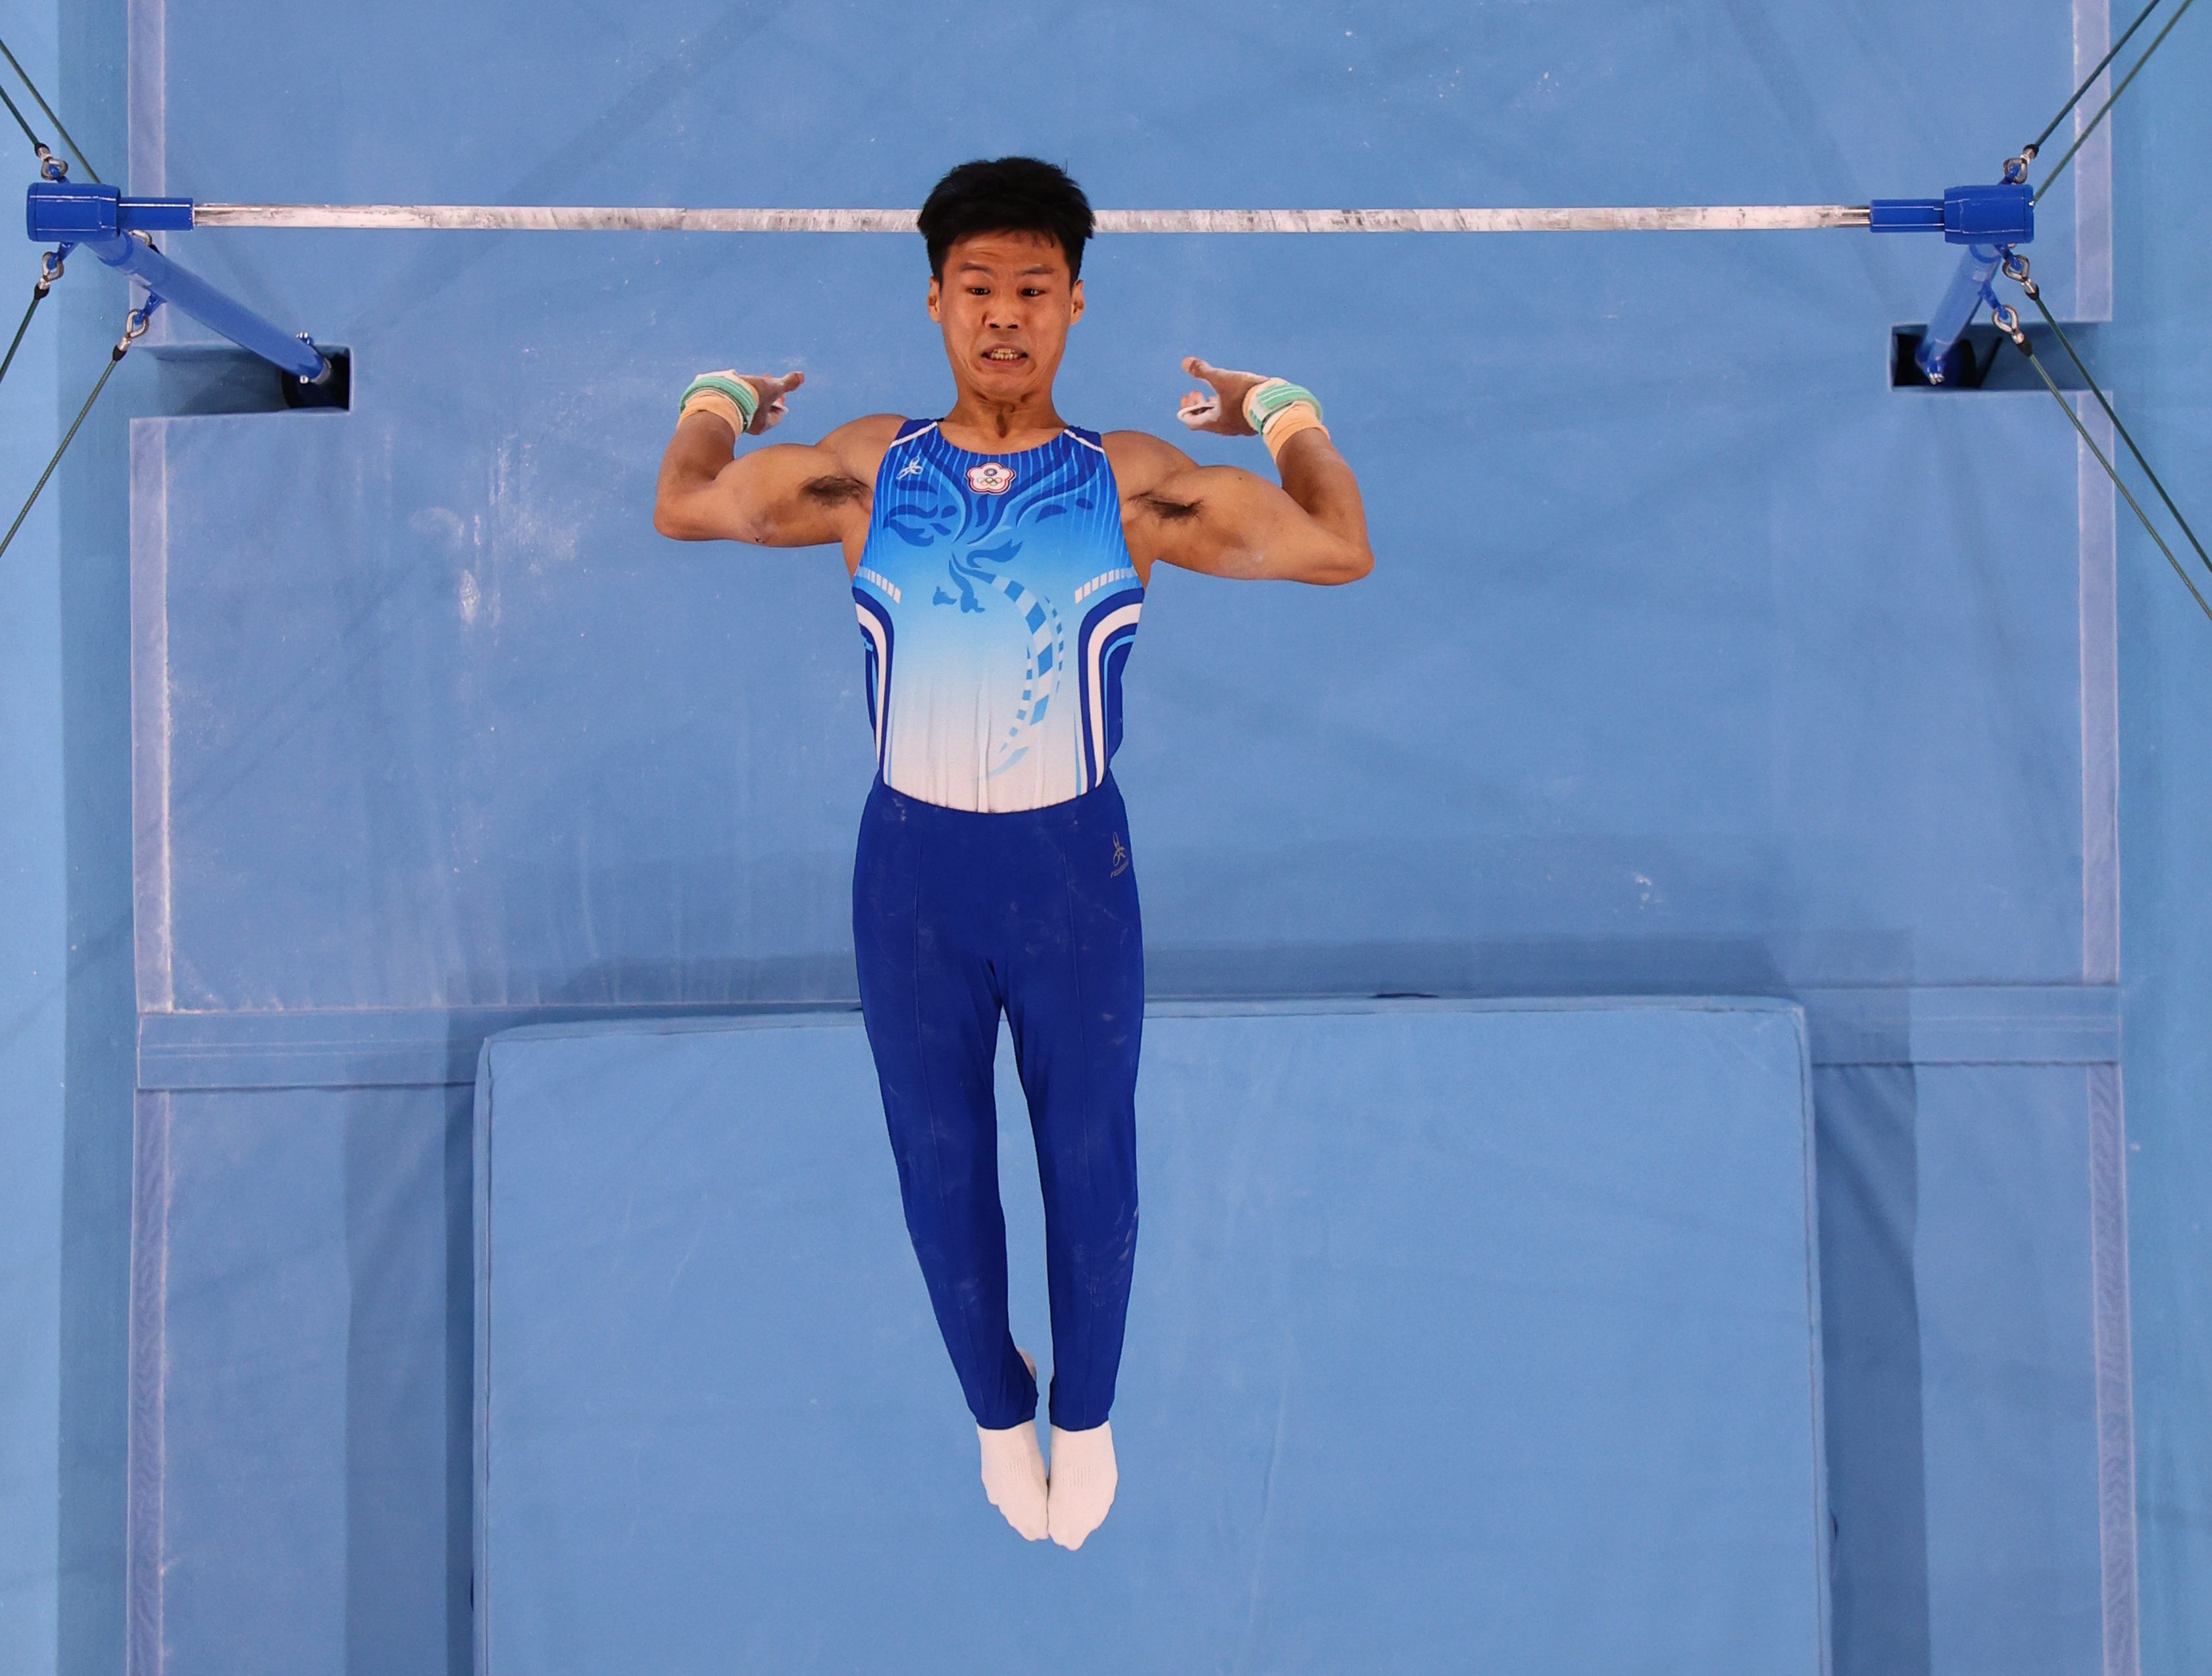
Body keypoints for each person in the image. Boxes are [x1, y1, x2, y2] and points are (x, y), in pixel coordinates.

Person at [651, 156, 1372, 1550]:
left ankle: (1087, 1413)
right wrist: (715, 402)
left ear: (1075, 307)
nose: (1003, 317)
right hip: (910, 877)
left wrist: (1277, 410)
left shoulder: (1135, 485)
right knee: (937, 1163)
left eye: (1031, 292)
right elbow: (690, 503)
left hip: (1067, 879)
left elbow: (1337, 547)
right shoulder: (869, 467)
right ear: (933, 302)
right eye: (977, 289)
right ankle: (998, 1406)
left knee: (1088, 1158)